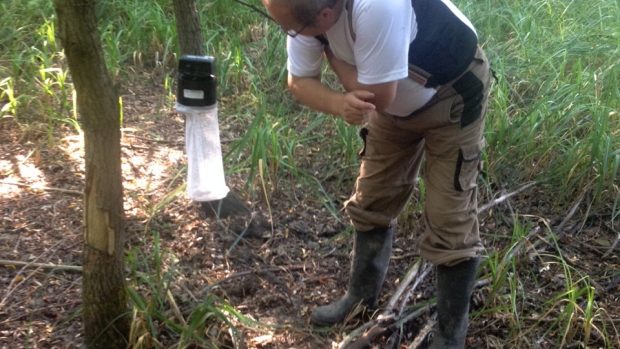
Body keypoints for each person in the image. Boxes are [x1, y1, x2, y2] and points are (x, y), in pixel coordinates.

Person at [261, 0, 491, 347]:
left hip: (453, 95)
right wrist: (339, 103)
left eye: (292, 29)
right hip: (395, 108)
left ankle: (450, 335)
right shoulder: (304, 11)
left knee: (449, 215)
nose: (288, 35)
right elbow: (299, 81)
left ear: (324, 15)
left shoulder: (379, 6)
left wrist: (333, 58)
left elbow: (378, 97)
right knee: (372, 197)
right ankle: (360, 298)